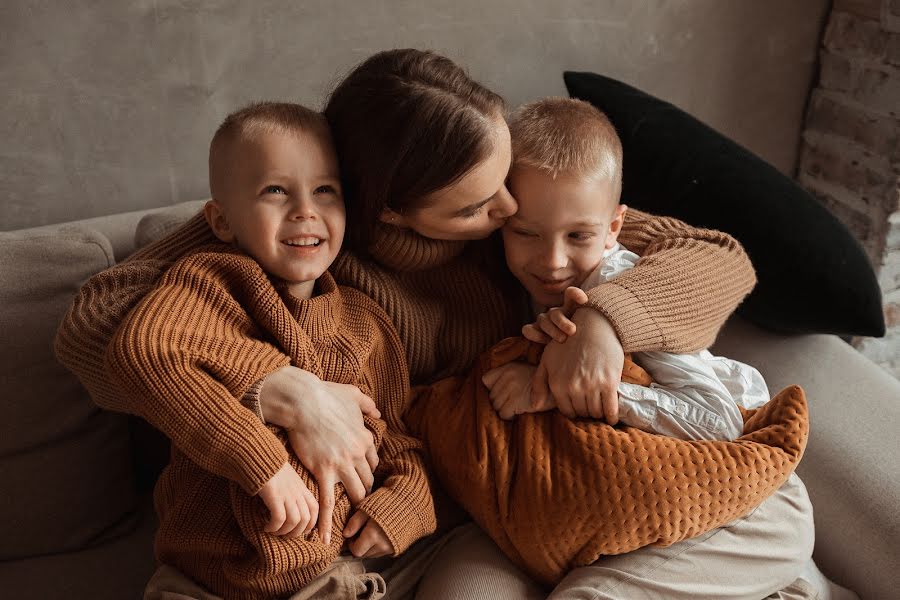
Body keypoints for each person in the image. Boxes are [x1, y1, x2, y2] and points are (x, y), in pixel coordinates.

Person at [55, 48, 810, 599]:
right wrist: (280, 388)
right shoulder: (309, 227)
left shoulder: (521, 223)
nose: (510, 213)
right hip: (421, 508)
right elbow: (99, 322)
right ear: (388, 208)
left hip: (516, 487)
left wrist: (607, 323)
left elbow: (713, 256)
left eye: (503, 186)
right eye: (481, 207)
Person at [105, 102, 436, 599]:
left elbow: (399, 437)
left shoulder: (366, 324)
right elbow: (143, 354)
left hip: (331, 576)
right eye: (275, 191)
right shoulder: (209, 284)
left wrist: (402, 504)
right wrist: (264, 464)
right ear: (221, 221)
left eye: (325, 190)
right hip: (200, 578)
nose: (305, 210)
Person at [486, 97, 771, 442]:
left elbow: (721, 422)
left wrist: (560, 391)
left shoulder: (616, 277)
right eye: (526, 233)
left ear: (614, 227)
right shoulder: (507, 269)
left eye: (578, 235)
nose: (553, 261)